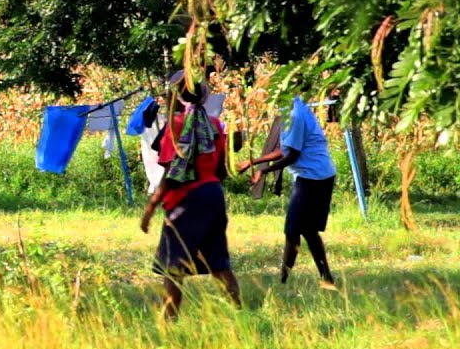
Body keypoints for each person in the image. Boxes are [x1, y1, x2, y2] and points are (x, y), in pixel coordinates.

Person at [141, 72, 241, 319]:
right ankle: (240, 314)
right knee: (218, 263)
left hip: (184, 201)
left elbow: (171, 173)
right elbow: (221, 169)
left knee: (172, 268)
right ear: (205, 95)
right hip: (213, 196)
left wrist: (151, 208)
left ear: (174, 96)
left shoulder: (175, 127)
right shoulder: (215, 125)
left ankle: (169, 321)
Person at [238, 96, 338, 287]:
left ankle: (283, 281)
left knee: (293, 231)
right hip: (312, 176)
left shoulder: (296, 114)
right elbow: (285, 150)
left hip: (314, 178)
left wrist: (263, 170)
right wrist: (253, 162)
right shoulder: (291, 109)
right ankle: (326, 277)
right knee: (308, 231)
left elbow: (292, 155)